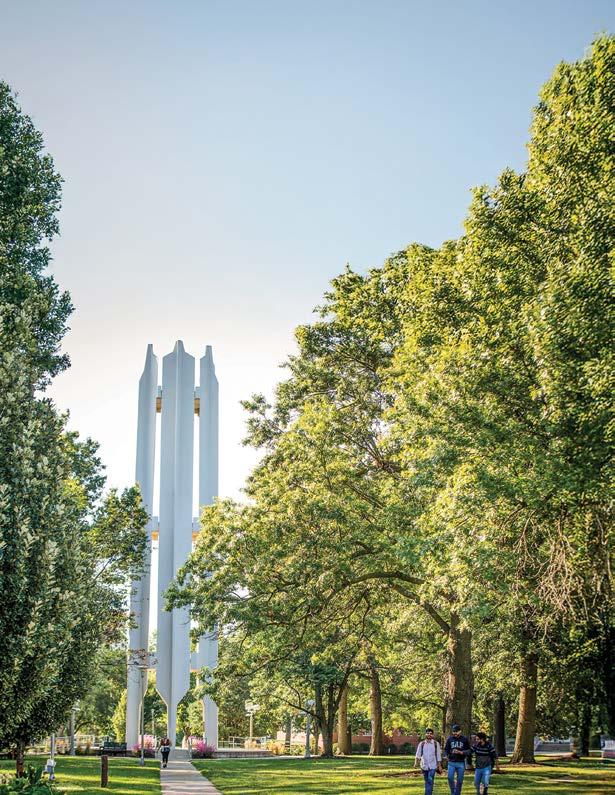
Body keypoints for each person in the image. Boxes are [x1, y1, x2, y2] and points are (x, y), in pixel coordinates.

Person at [414, 728, 443, 795]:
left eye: (431, 734)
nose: (429, 735)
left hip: (433, 766)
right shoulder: (422, 744)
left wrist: (439, 766)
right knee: (427, 781)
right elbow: (418, 754)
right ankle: (430, 791)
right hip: (424, 766)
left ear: (433, 735)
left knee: (429, 780)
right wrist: (416, 763)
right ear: (425, 734)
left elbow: (438, 756)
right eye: (428, 733)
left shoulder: (436, 744)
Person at [444, 724, 471, 795]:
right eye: (454, 731)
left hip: (461, 762)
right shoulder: (450, 739)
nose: (455, 733)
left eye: (456, 731)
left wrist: (461, 752)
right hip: (451, 762)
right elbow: (446, 750)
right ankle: (453, 792)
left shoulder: (464, 739)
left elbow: (469, 751)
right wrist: (446, 756)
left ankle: (457, 793)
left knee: (460, 781)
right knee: (450, 778)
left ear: (460, 731)